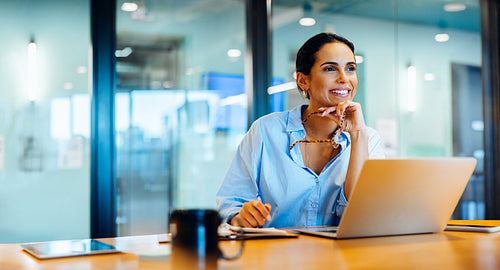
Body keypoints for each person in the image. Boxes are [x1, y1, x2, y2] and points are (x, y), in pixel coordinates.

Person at [216, 32, 385, 228]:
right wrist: (240, 217)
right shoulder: (266, 131)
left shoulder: (368, 139)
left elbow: (365, 214)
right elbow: (230, 204)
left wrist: (357, 136)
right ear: (303, 80)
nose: (344, 78)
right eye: (330, 68)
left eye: (350, 68)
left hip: (342, 256)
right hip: (274, 254)